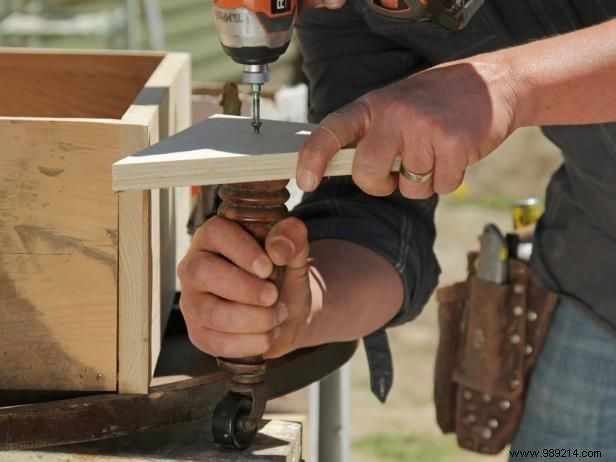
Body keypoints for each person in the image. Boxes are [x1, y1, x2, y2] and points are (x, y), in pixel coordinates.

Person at [178, 1, 616, 459]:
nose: (327, 2)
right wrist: (299, 303)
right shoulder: (345, 8)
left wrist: (508, 85)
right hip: (598, 271)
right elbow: (371, 206)